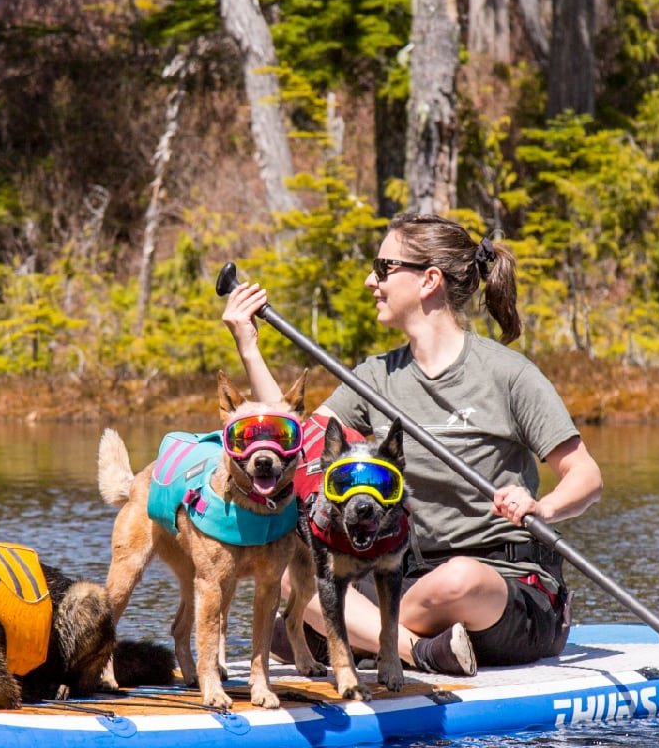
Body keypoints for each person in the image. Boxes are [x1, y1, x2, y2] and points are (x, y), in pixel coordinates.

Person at [222, 212, 603, 678]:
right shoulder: (375, 376)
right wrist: (249, 347)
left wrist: (541, 506)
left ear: (429, 280)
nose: (371, 281)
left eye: (383, 269)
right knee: (293, 576)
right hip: (402, 576)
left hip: (500, 589)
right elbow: (295, 443)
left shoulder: (508, 374)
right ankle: (417, 651)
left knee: (457, 579)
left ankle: (361, 636)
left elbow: (586, 476)